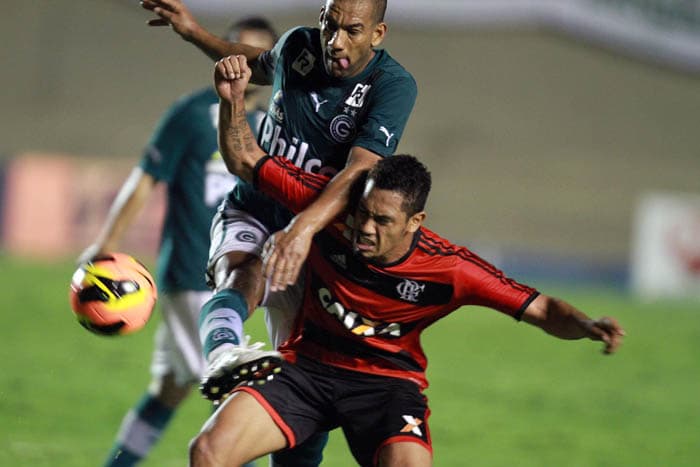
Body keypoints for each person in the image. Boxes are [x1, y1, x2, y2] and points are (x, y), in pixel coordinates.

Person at [184, 54, 626, 467]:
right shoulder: (331, 211)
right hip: (308, 371)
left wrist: (586, 326)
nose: (365, 229)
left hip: (387, 387)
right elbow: (246, 159)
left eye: (382, 220)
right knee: (207, 451)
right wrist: (234, 100)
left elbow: (544, 308)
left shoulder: (452, 268)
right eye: (361, 214)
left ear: (416, 221)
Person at [141, 0, 417, 400]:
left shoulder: (392, 86)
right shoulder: (297, 47)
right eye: (328, 25)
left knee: (305, 391)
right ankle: (222, 354)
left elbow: (359, 170)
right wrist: (193, 32)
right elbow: (248, 61)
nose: (334, 42)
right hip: (255, 205)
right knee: (242, 273)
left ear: (378, 34)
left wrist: (301, 229)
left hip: (318, 234)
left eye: (351, 31)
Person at [77, 18, 277, 467]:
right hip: (194, 275)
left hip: (237, 277)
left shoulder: (268, 128)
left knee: (170, 386)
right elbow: (146, 179)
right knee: (233, 395)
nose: (249, 66)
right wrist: (107, 242)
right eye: (241, 53)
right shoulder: (190, 115)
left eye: (259, 58)